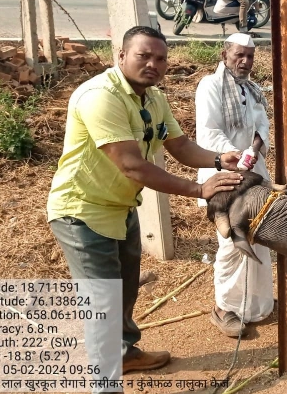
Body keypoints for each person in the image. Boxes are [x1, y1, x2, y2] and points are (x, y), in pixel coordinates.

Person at [47, 26, 245, 376]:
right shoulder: (100, 96)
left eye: (161, 58)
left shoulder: (153, 98)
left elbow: (179, 146)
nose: (153, 64)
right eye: (144, 56)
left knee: (124, 291)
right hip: (83, 212)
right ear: (121, 56)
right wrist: (199, 189)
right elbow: (131, 165)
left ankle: (124, 354)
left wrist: (219, 159)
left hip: (121, 208)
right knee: (102, 305)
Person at [195, 33, 273, 338]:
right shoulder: (210, 86)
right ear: (224, 55)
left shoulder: (252, 89)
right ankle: (224, 308)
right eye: (239, 55)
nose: (245, 61)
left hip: (253, 172)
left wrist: (254, 148)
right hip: (223, 176)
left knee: (259, 236)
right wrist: (236, 156)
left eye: (250, 56)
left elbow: (262, 125)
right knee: (231, 242)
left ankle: (256, 306)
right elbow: (209, 132)